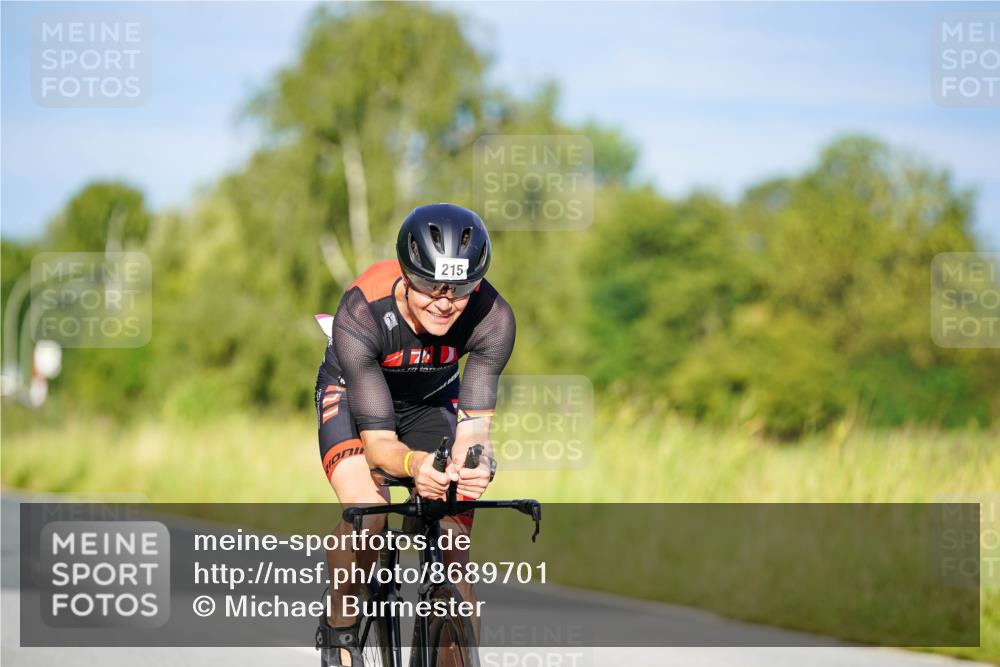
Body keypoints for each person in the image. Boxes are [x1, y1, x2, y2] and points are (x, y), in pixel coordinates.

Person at [313, 203, 515, 666]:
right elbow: (381, 445)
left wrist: (476, 463)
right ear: (407, 274)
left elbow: (475, 427)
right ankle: (340, 629)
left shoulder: (493, 318)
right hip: (355, 395)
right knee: (371, 517)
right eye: (430, 286)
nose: (445, 302)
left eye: (460, 289)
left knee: (452, 544)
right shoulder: (363, 310)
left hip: (429, 400)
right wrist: (414, 465)